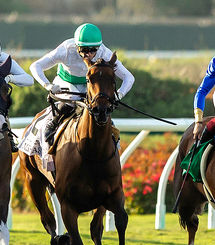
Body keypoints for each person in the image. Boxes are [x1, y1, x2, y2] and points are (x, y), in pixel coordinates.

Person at [27, 23, 135, 162]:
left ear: (99, 47)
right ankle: (51, 126)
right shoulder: (65, 49)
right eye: (84, 49)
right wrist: (48, 85)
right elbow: (35, 65)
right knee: (69, 104)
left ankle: (114, 144)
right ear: (76, 46)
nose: (88, 54)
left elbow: (129, 77)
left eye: (93, 50)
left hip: (89, 85)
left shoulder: (105, 53)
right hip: (66, 83)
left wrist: (119, 94)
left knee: (102, 111)